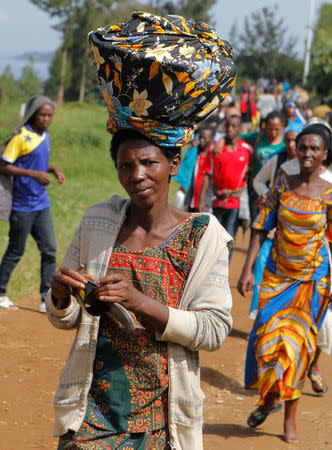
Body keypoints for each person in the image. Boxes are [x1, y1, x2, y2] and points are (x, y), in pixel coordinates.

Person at [46, 11, 236, 449]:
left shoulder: (202, 236)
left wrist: (138, 302)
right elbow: (69, 318)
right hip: (93, 411)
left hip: (162, 421)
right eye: (125, 166)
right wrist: (60, 296)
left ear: (174, 164)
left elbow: (213, 330)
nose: (137, 175)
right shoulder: (98, 223)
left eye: (149, 162)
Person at [237, 125, 332, 443]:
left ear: (324, 154)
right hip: (277, 278)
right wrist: (248, 269)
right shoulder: (282, 184)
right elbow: (262, 226)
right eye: (302, 147)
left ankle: (289, 419)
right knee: (266, 339)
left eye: (314, 149)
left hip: (312, 282)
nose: (306, 153)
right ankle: (268, 398)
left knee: (298, 348)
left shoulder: (330, 193)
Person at [0, 96, 65, 312]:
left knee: (49, 250)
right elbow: (4, 165)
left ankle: (45, 297)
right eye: (42, 115)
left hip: (41, 204)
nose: (46, 119)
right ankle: (0, 293)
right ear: (33, 114)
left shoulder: (44, 135)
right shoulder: (20, 136)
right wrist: (33, 174)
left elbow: (35, 162)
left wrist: (52, 169)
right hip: (22, 205)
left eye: (50, 115)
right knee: (15, 251)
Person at [249, 124, 301, 319]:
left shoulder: (313, 173)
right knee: (261, 275)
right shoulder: (278, 163)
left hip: (294, 243)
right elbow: (258, 180)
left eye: (295, 140)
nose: (291, 144)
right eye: (287, 140)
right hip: (271, 230)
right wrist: (267, 196)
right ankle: (259, 314)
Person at [199, 115, 252, 258]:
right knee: (213, 238)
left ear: (240, 128)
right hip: (216, 200)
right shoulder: (215, 149)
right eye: (227, 126)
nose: (230, 129)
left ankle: (224, 273)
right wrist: (201, 200)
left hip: (235, 202)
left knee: (229, 237)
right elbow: (207, 174)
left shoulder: (247, 150)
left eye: (234, 126)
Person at [241, 111, 285, 223]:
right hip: (256, 186)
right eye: (270, 129)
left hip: (276, 189)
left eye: (277, 129)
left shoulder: (286, 144)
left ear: (282, 128)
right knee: (255, 221)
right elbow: (238, 137)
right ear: (265, 127)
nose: (273, 132)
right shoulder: (258, 137)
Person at [184, 127, 214, 212]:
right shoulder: (196, 154)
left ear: (211, 139)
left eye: (205, 138)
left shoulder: (212, 156)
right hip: (192, 197)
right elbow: (186, 165)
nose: (202, 140)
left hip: (206, 199)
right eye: (200, 137)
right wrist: (192, 148)